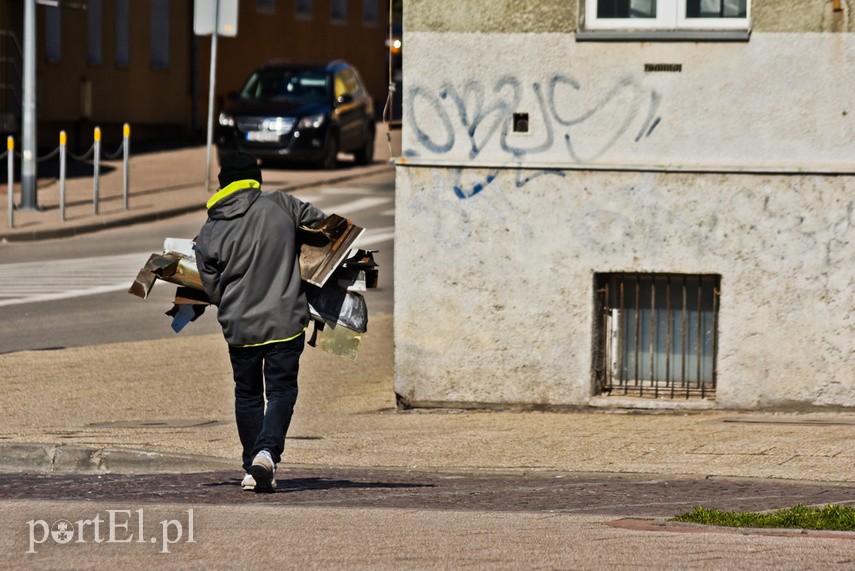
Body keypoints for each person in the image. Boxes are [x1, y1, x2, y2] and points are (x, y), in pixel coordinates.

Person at [194, 151, 326, 492]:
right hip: (285, 321)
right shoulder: (281, 204)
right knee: (281, 390)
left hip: (240, 328)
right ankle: (266, 453)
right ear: (256, 180)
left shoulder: (210, 231)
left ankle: (253, 469)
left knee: (248, 395)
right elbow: (325, 226)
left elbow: (211, 289)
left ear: (223, 186)